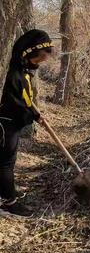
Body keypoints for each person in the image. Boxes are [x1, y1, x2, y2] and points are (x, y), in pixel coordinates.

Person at [0, 29, 54, 216]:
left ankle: (6, 193)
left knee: (8, 162)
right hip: (6, 125)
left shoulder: (24, 73)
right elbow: (19, 104)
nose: (44, 60)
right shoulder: (17, 75)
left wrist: (36, 114)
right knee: (5, 164)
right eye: (41, 57)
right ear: (30, 54)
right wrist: (35, 116)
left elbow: (27, 102)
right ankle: (9, 203)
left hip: (13, 124)